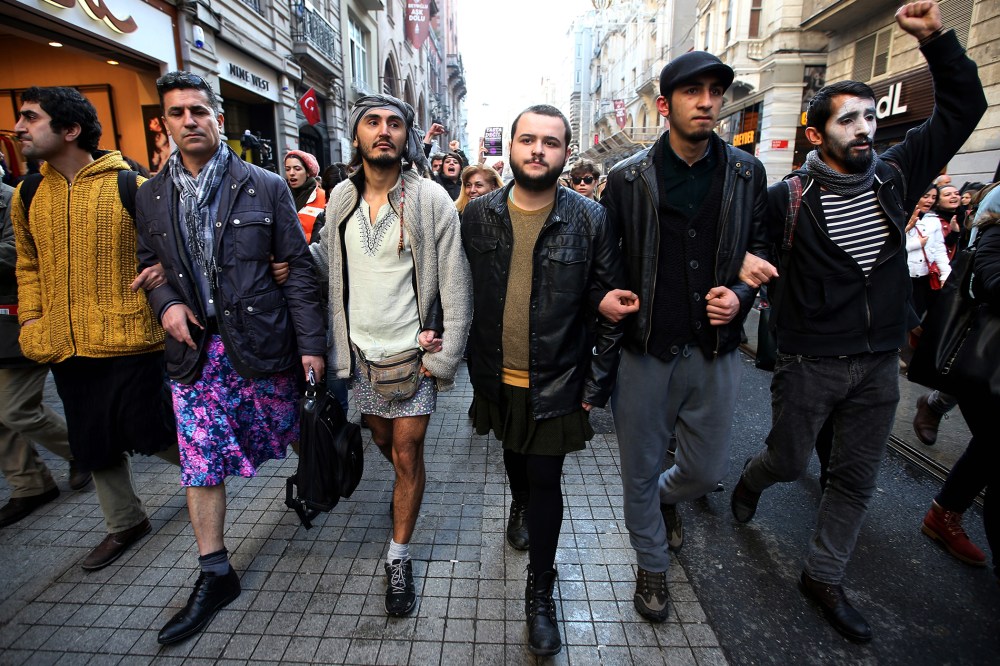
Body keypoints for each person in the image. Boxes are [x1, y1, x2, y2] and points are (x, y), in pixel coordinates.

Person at [733, 2, 987, 642]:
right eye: (848, 119)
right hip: (809, 363)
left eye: (870, 116)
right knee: (789, 461)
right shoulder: (786, 198)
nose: (864, 128)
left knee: (853, 478)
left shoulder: (896, 174)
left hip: (876, 364)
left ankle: (823, 576)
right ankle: (752, 480)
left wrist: (936, 39)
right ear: (816, 134)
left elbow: (964, 109)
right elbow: (749, 256)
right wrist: (744, 273)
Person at [134, 71, 326, 645]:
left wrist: (311, 347)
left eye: (198, 110)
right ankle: (215, 572)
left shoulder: (264, 186)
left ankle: (323, 479)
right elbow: (148, 264)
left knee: (296, 428)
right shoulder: (149, 195)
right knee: (201, 460)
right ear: (163, 124)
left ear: (217, 117)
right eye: (177, 113)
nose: (189, 121)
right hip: (194, 353)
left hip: (262, 343)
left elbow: (299, 273)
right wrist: (166, 303)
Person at [599, 50, 767, 623]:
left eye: (715, 91)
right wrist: (606, 297)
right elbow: (606, 258)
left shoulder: (746, 172)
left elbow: (759, 247)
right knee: (639, 469)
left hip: (715, 350)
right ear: (664, 105)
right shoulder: (627, 178)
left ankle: (664, 501)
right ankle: (651, 564)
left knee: (704, 472)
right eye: (693, 92)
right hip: (645, 349)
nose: (707, 102)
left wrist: (740, 295)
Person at [462, 104, 625, 655]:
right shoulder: (478, 214)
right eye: (528, 139)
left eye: (550, 142)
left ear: (565, 153)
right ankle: (519, 503)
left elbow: (613, 305)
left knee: (546, 476)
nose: (538, 150)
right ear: (510, 148)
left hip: (557, 378)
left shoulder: (590, 218)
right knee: (514, 454)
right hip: (496, 373)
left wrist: (596, 385)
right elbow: (459, 288)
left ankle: (540, 593)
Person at [312, 93, 471, 617]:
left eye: (394, 123)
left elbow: (456, 282)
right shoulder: (340, 197)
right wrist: (288, 261)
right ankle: (408, 486)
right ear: (356, 135)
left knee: (407, 451)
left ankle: (398, 556)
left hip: (414, 357)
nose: (384, 131)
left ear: (407, 137)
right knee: (381, 438)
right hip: (359, 356)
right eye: (372, 122)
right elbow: (330, 262)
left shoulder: (429, 199)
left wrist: (443, 358)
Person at [11, 86, 176, 571]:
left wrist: (163, 271)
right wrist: (32, 319)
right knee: (92, 440)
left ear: (70, 129)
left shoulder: (130, 185)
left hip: (131, 339)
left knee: (153, 432)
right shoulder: (28, 193)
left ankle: (212, 469)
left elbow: (170, 248)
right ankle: (125, 522)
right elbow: (28, 265)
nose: (18, 128)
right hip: (65, 343)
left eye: (30, 118)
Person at [920, 185, 1000, 584]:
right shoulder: (995, 231)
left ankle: (945, 511)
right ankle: (945, 513)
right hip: (988, 363)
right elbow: (991, 283)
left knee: (991, 445)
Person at [0, 172, 90, 528]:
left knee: (15, 408)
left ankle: (84, 451)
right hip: (16, 321)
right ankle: (29, 485)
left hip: (18, 319)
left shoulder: (14, 198)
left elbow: (24, 256)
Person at [906, 184, 951, 318]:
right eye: (925, 196)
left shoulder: (934, 220)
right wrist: (916, 244)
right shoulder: (901, 216)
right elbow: (892, 248)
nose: (930, 200)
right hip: (905, 276)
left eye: (933, 197)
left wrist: (945, 273)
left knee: (922, 314)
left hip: (926, 276)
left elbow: (939, 249)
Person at [284, 149, 326, 243]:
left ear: (308, 172)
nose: (291, 173)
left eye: (297, 169)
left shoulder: (323, 197)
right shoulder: (280, 197)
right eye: (287, 169)